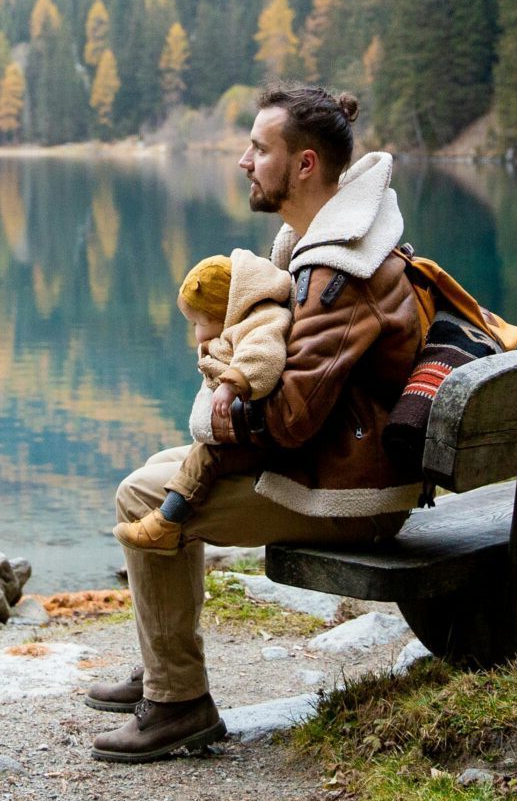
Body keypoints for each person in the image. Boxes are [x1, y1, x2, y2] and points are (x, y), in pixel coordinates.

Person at [89, 86, 426, 763]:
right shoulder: (333, 240)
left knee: (144, 494)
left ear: (303, 164)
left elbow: (292, 419)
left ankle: (178, 701)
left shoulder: (338, 271)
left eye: (258, 148)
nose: (244, 160)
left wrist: (222, 402)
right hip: (352, 459)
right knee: (163, 467)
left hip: (350, 492)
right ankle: (166, 666)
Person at [113, 247, 290, 553]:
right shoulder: (244, 318)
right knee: (161, 461)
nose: (196, 334)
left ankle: (167, 522)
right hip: (251, 434)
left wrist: (232, 384)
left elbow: (264, 356)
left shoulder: (263, 320)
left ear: (224, 312)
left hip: (264, 442)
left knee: (207, 456)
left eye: (198, 323)